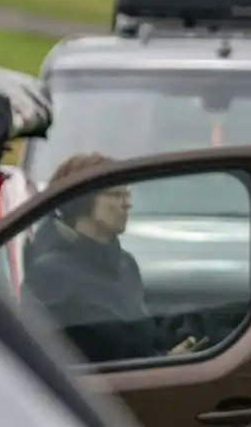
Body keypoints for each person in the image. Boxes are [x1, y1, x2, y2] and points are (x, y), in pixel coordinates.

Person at [23, 152, 168, 365]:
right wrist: (159, 361)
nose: (127, 204)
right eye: (117, 194)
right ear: (82, 199)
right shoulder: (51, 274)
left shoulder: (125, 264)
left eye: (127, 193)